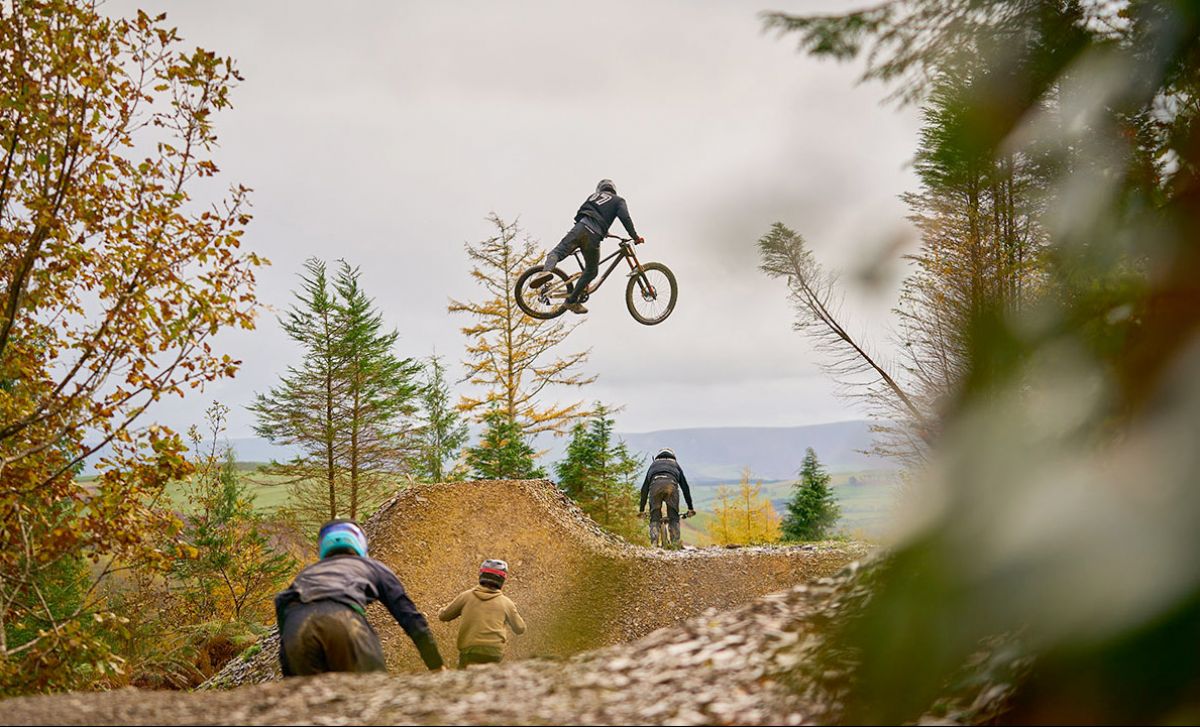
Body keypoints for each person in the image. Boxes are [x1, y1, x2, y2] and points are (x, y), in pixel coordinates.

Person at [274, 519, 445, 676]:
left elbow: (281, 602)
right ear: (360, 544)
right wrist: (436, 664)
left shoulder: (307, 574)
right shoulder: (372, 567)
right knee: (371, 692)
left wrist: (289, 667)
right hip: (342, 619)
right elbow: (410, 617)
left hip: (295, 628)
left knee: (314, 703)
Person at [530, 178, 643, 315]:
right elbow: (625, 218)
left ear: (600, 189)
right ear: (613, 189)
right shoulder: (619, 200)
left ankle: (546, 271)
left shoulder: (593, 197)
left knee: (557, 252)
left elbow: (580, 213)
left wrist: (599, 230)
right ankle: (571, 302)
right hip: (593, 236)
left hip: (579, 228)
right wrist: (635, 236)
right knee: (591, 271)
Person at [438, 559, 527, 668]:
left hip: (470, 651)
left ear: (481, 575)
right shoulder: (506, 603)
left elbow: (443, 616)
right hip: (494, 653)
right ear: (502, 580)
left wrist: (440, 609)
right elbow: (520, 628)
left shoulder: (466, 597)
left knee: (464, 681)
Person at [638, 448, 696, 548]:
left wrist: (642, 510)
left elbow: (644, 489)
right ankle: (675, 544)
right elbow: (685, 487)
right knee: (673, 516)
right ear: (673, 456)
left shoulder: (653, 465)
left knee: (654, 515)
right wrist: (690, 508)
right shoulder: (675, 465)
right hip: (671, 486)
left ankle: (654, 543)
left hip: (655, 487)